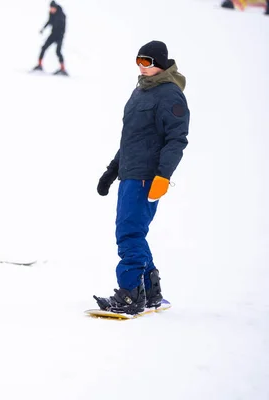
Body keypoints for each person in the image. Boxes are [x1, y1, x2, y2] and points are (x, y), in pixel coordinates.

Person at [93, 40, 190, 315]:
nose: (141, 67)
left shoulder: (170, 95)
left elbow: (176, 140)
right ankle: (150, 290)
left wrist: (163, 175)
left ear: (160, 63)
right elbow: (131, 140)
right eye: (138, 62)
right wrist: (112, 171)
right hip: (130, 174)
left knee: (129, 234)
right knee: (134, 233)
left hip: (148, 176)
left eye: (146, 62)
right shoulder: (139, 93)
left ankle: (130, 294)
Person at [33, 1, 67, 75]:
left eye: (52, 8)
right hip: (53, 34)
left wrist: (60, 35)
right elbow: (49, 21)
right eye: (50, 8)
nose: (51, 10)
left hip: (60, 35)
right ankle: (39, 65)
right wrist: (43, 29)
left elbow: (63, 27)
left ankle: (63, 68)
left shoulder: (62, 15)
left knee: (58, 51)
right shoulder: (51, 13)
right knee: (43, 48)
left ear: (55, 8)